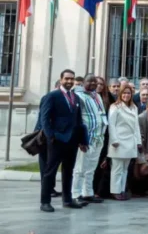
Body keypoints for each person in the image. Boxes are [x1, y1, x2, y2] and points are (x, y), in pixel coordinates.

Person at [39, 70, 88, 212]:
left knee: (68, 171)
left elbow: (78, 120)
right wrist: (51, 136)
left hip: (72, 140)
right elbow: (44, 118)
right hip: (57, 140)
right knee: (50, 172)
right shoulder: (52, 96)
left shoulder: (75, 97)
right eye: (67, 78)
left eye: (72, 79)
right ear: (61, 79)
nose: (69, 81)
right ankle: (45, 201)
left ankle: (67, 199)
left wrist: (81, 140)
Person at [69, 75, 107, 205]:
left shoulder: (97, 96)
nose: (93, 84)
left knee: (91, 167)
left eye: (95, 82)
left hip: (98, 137)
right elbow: (76, 119)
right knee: (80, 168)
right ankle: (75, 194)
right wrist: (80, 140)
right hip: (86, 138)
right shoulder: (78, 95)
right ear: (83, 82)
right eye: (90, 81)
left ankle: (88, 193)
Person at [107, 85, 142, 201]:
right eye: (124, 93)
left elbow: (136, 126)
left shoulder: (134, 107)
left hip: (130, 141)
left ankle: (122, 189)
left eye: (128, 93)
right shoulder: (115, 107)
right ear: (120, 94)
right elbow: (111, 124)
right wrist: (114, 140)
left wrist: (138, 141)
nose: (126, 95)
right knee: (117, 168)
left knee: (125, 168)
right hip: (119, 141)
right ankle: (115, 191)